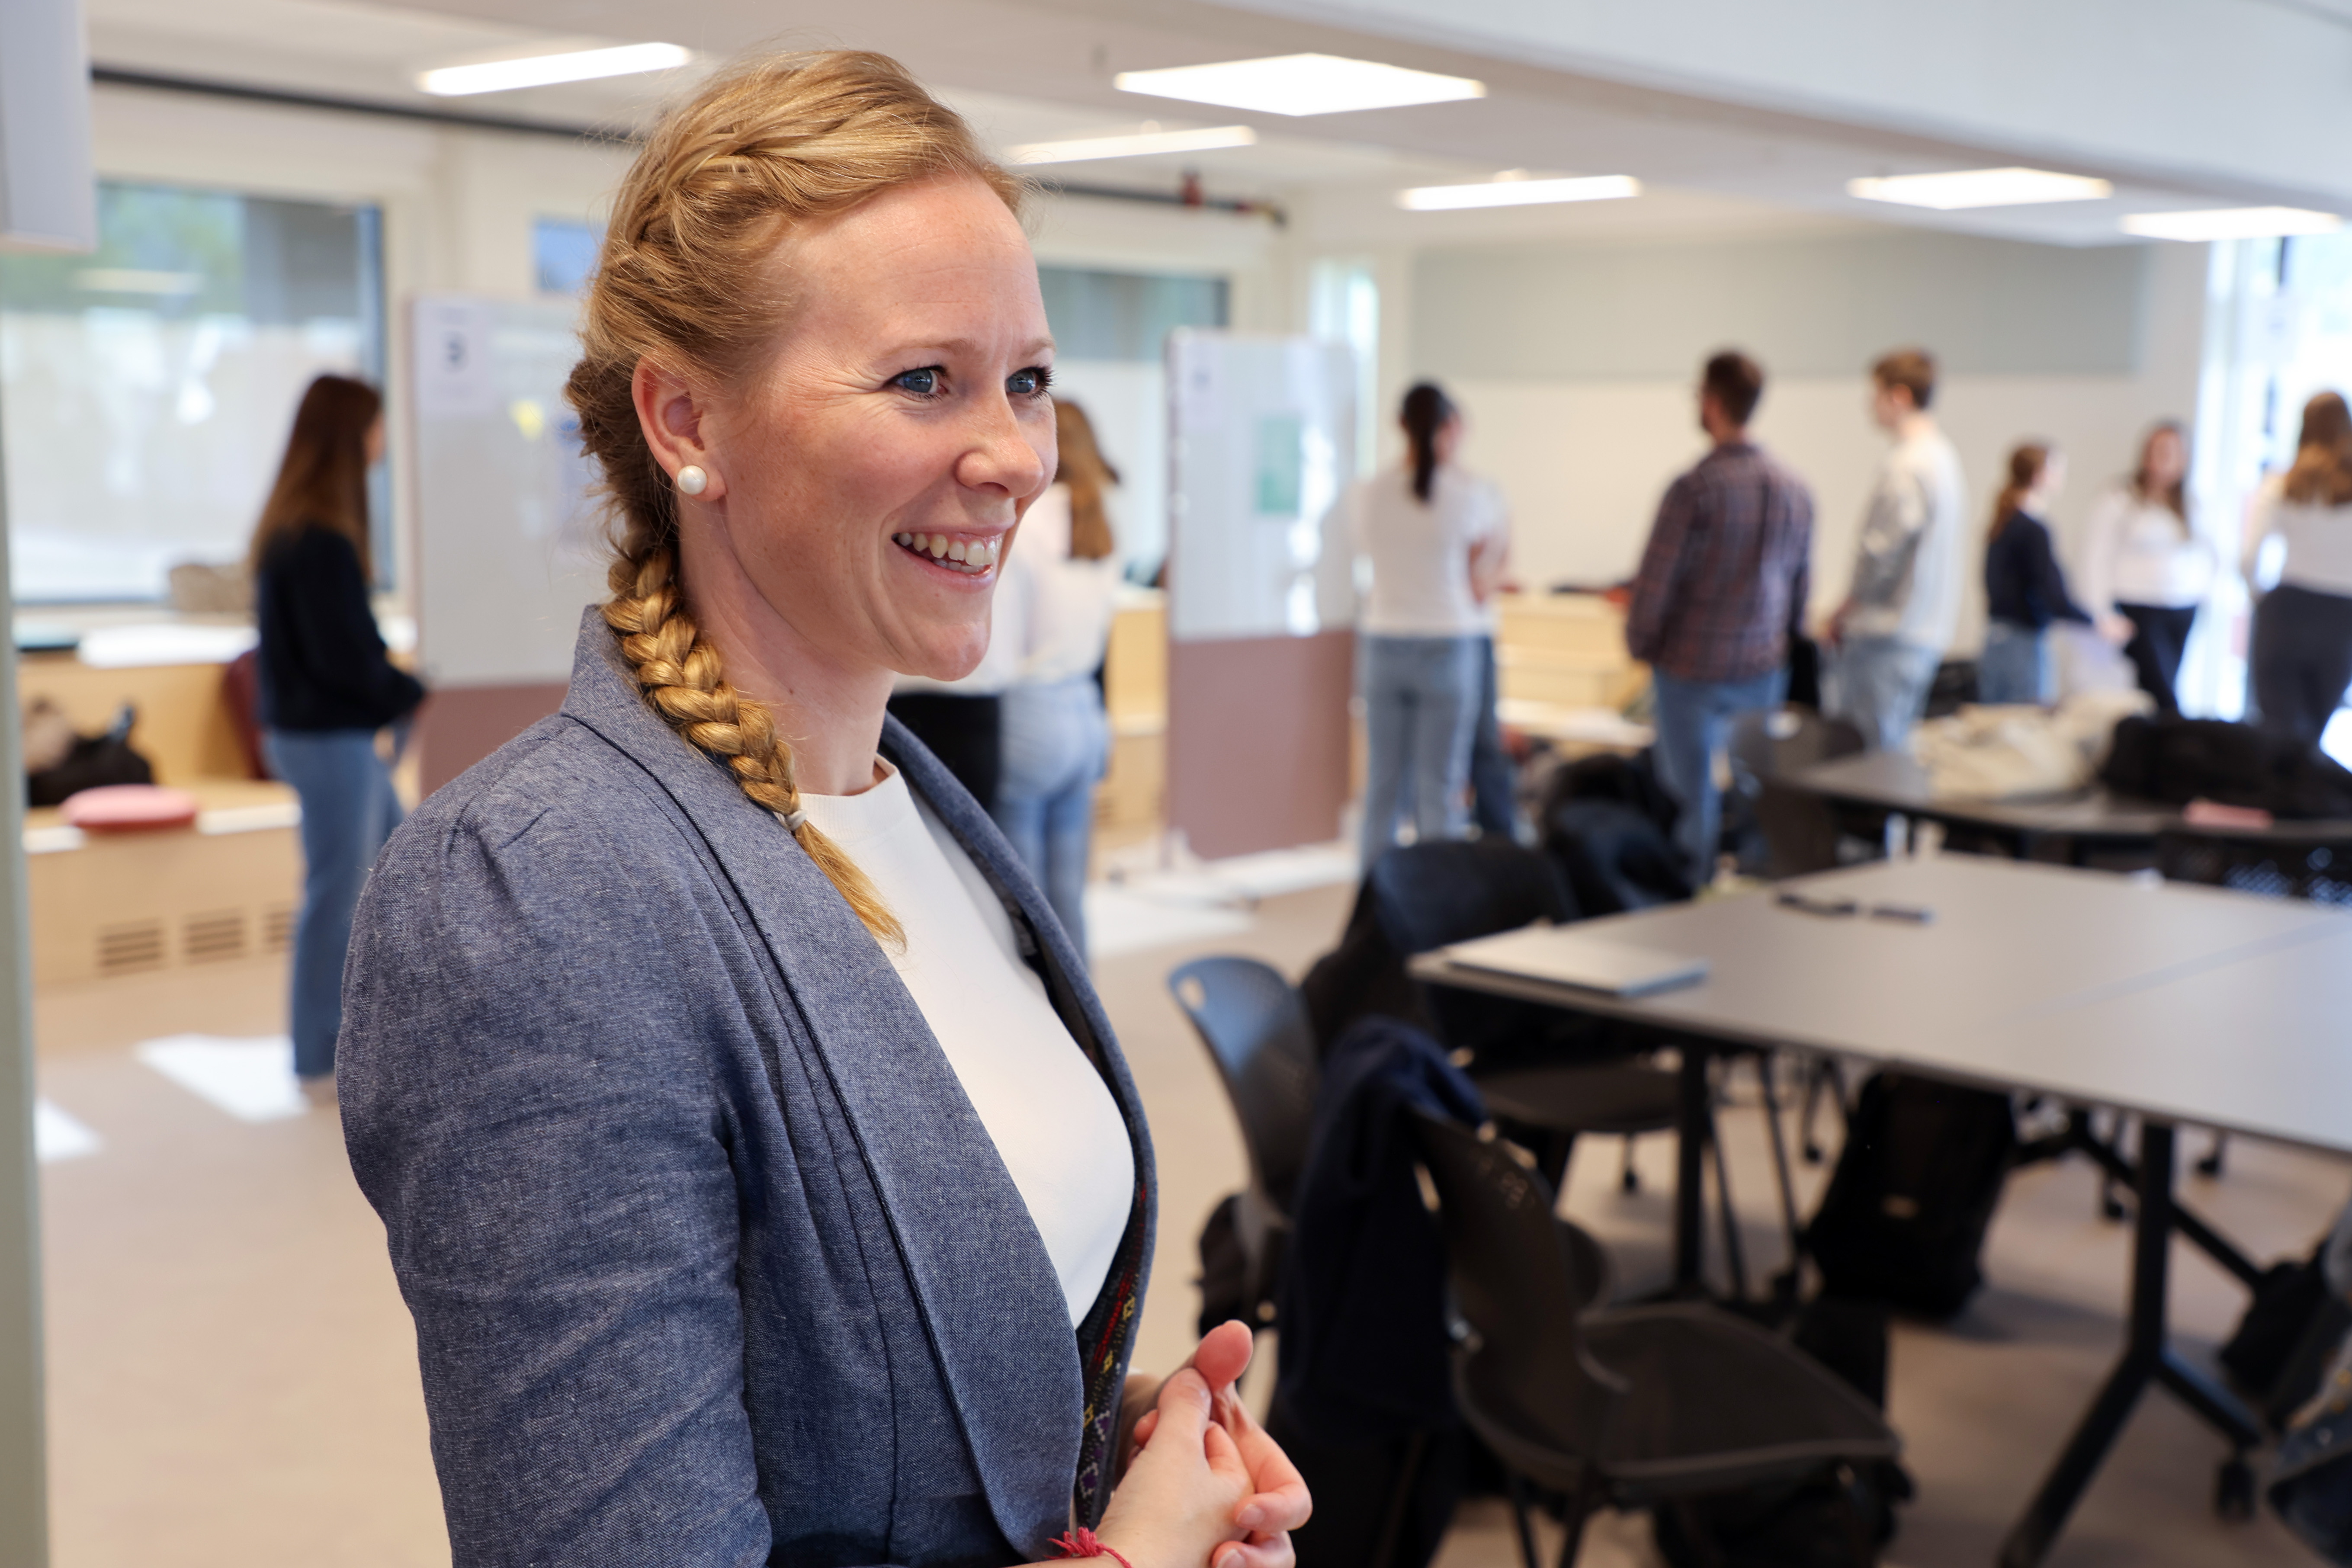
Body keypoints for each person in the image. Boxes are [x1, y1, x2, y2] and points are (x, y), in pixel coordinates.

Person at [335, 51, 1306, 1568]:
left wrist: (1121, 1455)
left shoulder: (917, 810)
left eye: (1027, 379)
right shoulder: (537, 895)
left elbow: (881, 1384)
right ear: (684, 424)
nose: (1012, 458)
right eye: (924, 379)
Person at [248, 374, 424, 1090]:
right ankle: (319, 1055)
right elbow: (343, 655)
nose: (383, 442)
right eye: (377, 428)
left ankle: (360, 1041)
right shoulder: (319, 539)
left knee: (390, 877)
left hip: (318, 736)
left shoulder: (300, 528)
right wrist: (404, 688)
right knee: (339, 890)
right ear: (353, 436)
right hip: (329, 740)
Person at [1624, 350, 1815, 882]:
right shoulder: (1795, 489)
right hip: (1761, 667)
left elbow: (1655, 584)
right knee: (1754, 789)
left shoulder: (1694, 489)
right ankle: (1747, 894)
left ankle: (1692, 890)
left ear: (1710, 402)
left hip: (1691, 668)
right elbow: (1802, 591)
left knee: (1689, 796)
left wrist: (1640, 644)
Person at [1344, 382, 1509, 868]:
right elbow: (1484, 575)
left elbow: (1361, 551)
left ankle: (1372, 897)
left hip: (1383, 641)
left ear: (1399, 425)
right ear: (1448, 429)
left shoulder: (1369, 493)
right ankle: (1443, 899)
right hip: (1448, 644)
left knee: (1382, 786)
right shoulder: (1469, 493)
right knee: (1440, 786)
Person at [994, 401, 1123, 956]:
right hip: (1084, 714)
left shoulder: (1023, 523)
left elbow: (1001, 645)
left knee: (1025, 907)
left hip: (1030, 715)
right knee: (1069, 896)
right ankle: (1084, 1032)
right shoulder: (1101, 521)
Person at [1825, 348, 1967, 751]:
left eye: (1875, 395)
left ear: (1898, 397)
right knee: (1891, 753)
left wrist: (1843, 609)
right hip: (1921, 633)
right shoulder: (1943, 458)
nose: (1869, 406)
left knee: (1867, 761)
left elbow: (1881, 556)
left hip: (1889, 635)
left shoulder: (1908, 465)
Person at [2076, 421, 2213, 715]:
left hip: (2181, 607)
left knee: (2164, 687)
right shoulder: (2120, 498)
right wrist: (2100, 611)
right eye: (2158, 450)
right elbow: (2095, 557)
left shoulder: (2190, 503)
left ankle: (2157, 748)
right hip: (2138, 607)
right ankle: (2174, 745)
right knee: (2161, 693)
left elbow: (2209, 554)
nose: (2164, 458)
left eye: (2172, 452)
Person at [2246, 391, 2352, 744]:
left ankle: (2282, 797)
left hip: (2287, 610)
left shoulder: (2282, 483)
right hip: (2342, 616)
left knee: (2280, 732)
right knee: (2313, 734)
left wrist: (2259, 597)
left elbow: (2249, 557)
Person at [1980, 442, 2106, 705]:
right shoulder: (2032, 529)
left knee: (1996, 726)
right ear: (2040, 475)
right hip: (2022, 642)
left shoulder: (2004, 522)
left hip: (1996, 638)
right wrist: (2096, 622)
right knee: (2024, 728)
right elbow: (2052, 594)